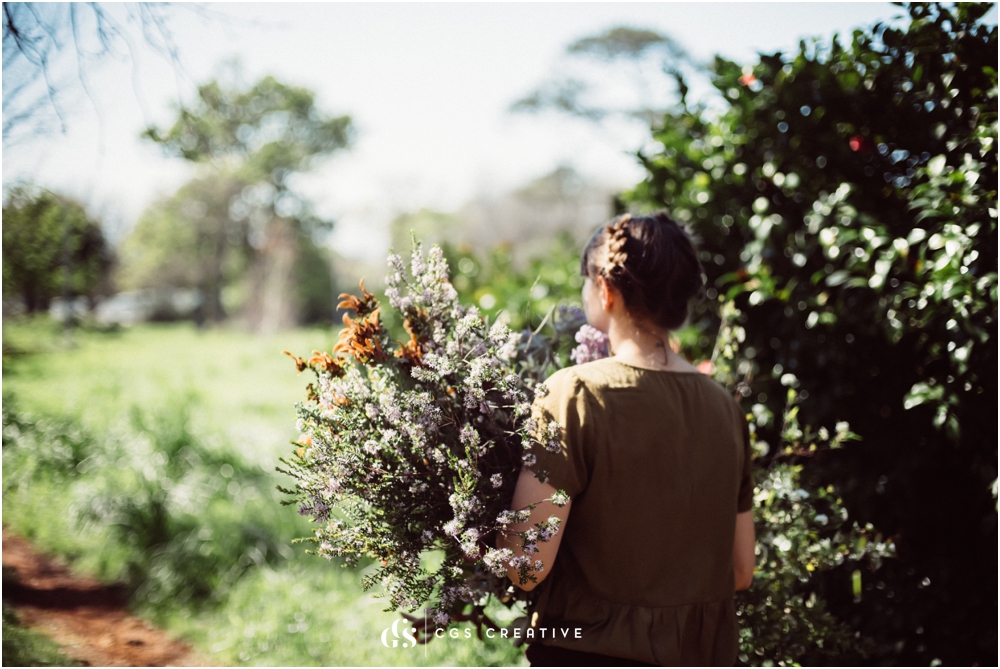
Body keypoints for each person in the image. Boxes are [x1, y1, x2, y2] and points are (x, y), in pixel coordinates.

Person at [497, 212, 756, 666]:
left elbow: (525, 566)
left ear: (605, 288)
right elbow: (739, 570)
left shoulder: (574, 394)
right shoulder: (725, 409)